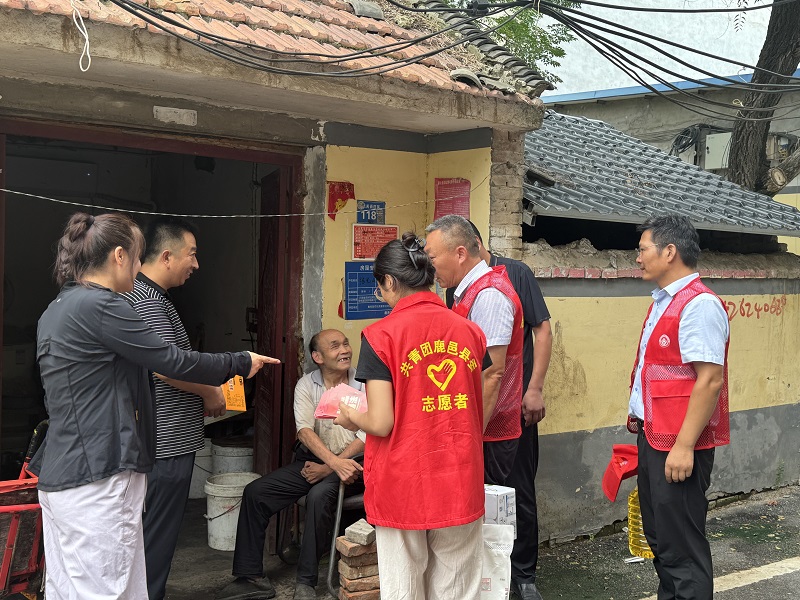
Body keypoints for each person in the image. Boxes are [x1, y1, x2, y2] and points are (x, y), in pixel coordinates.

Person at [33, 212, 279, 600]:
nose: (138, 269)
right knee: (107, 589)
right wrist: (239, 361)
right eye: (136, 258)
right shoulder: (102, 306)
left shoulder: (59, 307)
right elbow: (172, 361)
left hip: (66, 473)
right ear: (119, 256)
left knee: (72, 589)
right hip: (98, 474)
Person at [335, 233, 487, 600]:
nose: (381, 294)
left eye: (380, 287)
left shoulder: (380, 336)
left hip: (403, 481)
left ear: (389, 282)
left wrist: (351, 417)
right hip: (460, 477)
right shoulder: (470, 332)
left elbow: (381, 422)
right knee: (457, 589)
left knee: (404, 587)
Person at [216, 329, 366, 600]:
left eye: (346, 344)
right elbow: (304, 431)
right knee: (256, 493)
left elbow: (366, 436)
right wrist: (328, 463)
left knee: (319, 496)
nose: (345, 350)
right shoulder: (307, 385)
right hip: (314, 462)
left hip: (354, 464)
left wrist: (330, 467)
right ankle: (251, 577)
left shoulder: (364, 383)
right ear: (317, 357)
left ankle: (306, 582)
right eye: (335, 346)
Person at [120, 216, 225, 600]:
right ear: (166, 256)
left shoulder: (145, 296)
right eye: (191, 254)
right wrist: (210, 393)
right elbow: (166, 367)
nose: (195, 264)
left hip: (160, 438)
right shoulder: (147, 301)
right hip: (166, 440)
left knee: (150, 534)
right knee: (157, 537)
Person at [446, 220, 553, 600]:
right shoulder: (457, 286)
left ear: (469, 245)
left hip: (515, 404)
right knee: (484, 493)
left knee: (517, 491)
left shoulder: (514, 274)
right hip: (478, 410)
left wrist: (535, 388)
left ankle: (524, 575)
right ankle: (491, 574)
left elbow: (542, 330)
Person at [628, 215, 730, 600]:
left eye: (643, 249)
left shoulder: (699, 305)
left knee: (682, 549)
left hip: (678, 446)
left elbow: (710, 379)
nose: (638, 258)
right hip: (656, 438)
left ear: (669, 252)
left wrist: (684, 446)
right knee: (662, 540)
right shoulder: (665, 301)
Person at [424, 214, 524, 486]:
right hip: (474, 426)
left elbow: (493, 372)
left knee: (485, 507)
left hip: (488, 431)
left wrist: (471, 434)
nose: (429, 267)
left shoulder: (489, 296)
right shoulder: (469, 291)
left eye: (432, 258)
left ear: (460, 254)